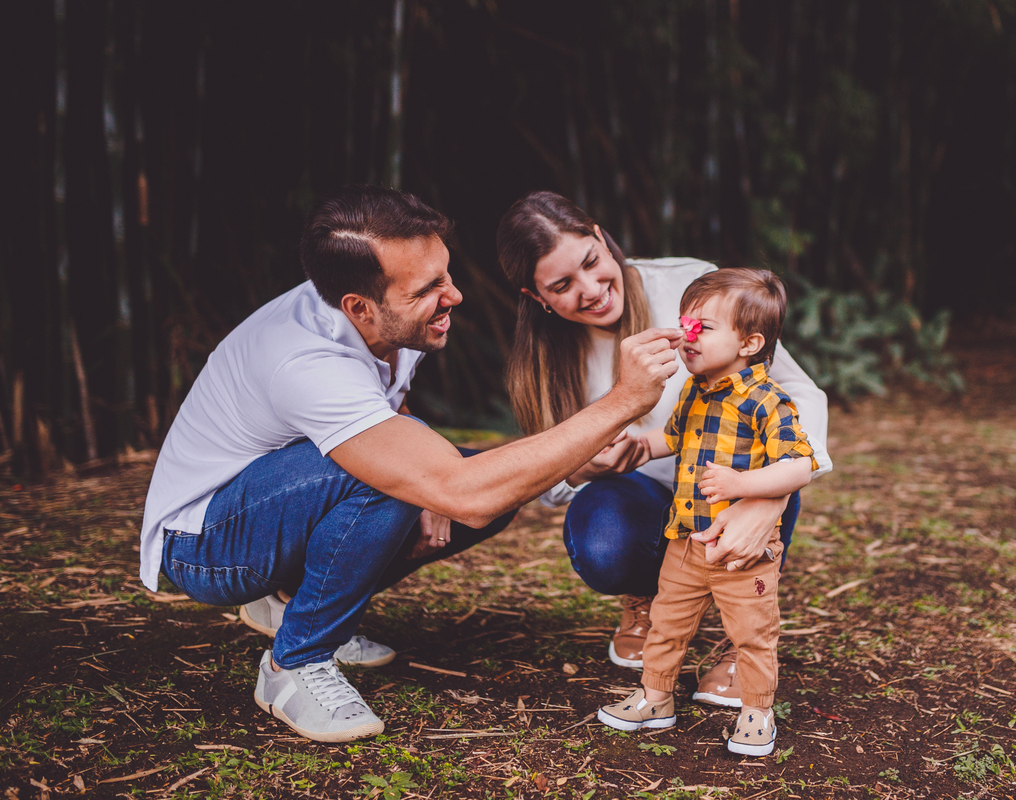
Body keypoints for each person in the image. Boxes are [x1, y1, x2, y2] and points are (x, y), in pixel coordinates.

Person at [139, 186, 684, 743]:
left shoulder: (395, 314)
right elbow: (459, 488)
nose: (456, 296)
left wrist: (431, 485)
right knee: (420, 483)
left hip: (275, 502)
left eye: (445, 274)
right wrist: (623, 401)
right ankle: (293, 666)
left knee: (478, 495)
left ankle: (290, 606)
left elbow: (391, 408)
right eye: (431, 288)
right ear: (359, 306)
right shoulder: (306, 361)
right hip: (207, 544)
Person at [495, 192, 832, 708]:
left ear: (602, 237)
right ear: (535, 295)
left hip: (742, 486)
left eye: (592, 262)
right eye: (562, 286)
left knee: (760, 509)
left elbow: (796, 392)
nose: (592, 290)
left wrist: (768, 496)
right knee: (602, 541)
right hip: (646, 502)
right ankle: (649, 601)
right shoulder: (542, 363)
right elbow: (548, 480)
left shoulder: (691, 285)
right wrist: (585, 464)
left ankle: (741, 638)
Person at [596, 268, 815, 756]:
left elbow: (799, 465)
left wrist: (743, 485)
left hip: (742, 552)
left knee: (753, 633)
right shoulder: (693, 391)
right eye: (684, 322)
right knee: (667, 622)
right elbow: (669, 438)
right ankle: (656, 697)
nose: (686, 335)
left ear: (750, 343)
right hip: (685, 542)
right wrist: (635, 443)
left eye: (704, 327)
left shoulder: (769, 403)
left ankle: (756, 711)